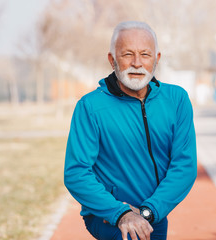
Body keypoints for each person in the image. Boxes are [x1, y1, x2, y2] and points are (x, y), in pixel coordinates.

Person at [64, 21, 197, 240]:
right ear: (112, 59)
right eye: (127, 54)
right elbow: (76, 172)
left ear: (157, 59)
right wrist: (121, 213)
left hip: (154, 215)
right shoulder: (90, 107)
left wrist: (148, 211)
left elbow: (184, 166)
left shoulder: (177, 100)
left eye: (145, 54)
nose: (137, 63)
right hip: (108, 216)